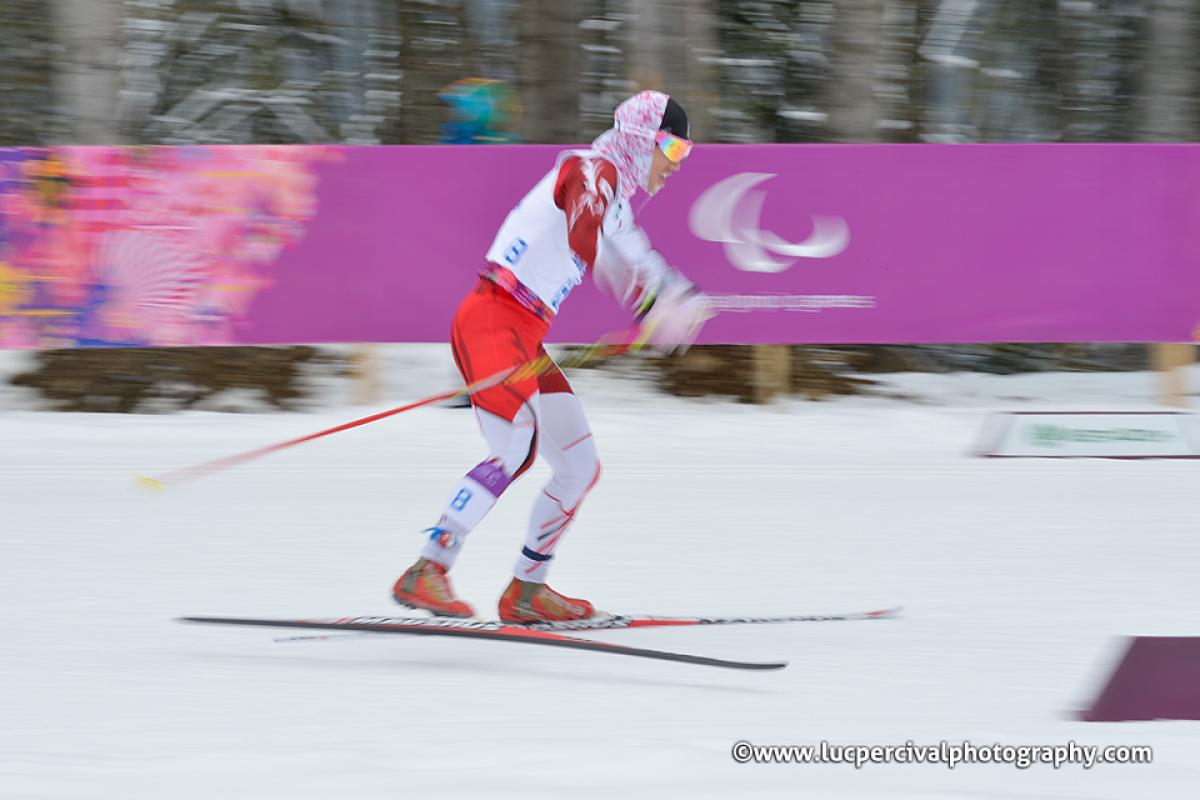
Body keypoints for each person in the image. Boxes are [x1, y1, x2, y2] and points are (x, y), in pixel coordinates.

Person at [393, 90, 711, 623]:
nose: (675, 167)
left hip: (522, 332)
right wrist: (655, 303)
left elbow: (630, 256)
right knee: (515, 447)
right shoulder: (593, 171)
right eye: (674, 152)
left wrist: (671, 298)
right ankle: (429, 567)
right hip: (493, 318)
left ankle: (527, 590)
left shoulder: (614, 197)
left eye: (685, 156)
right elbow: (587, 228)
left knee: (578, 466)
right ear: (644, 141)